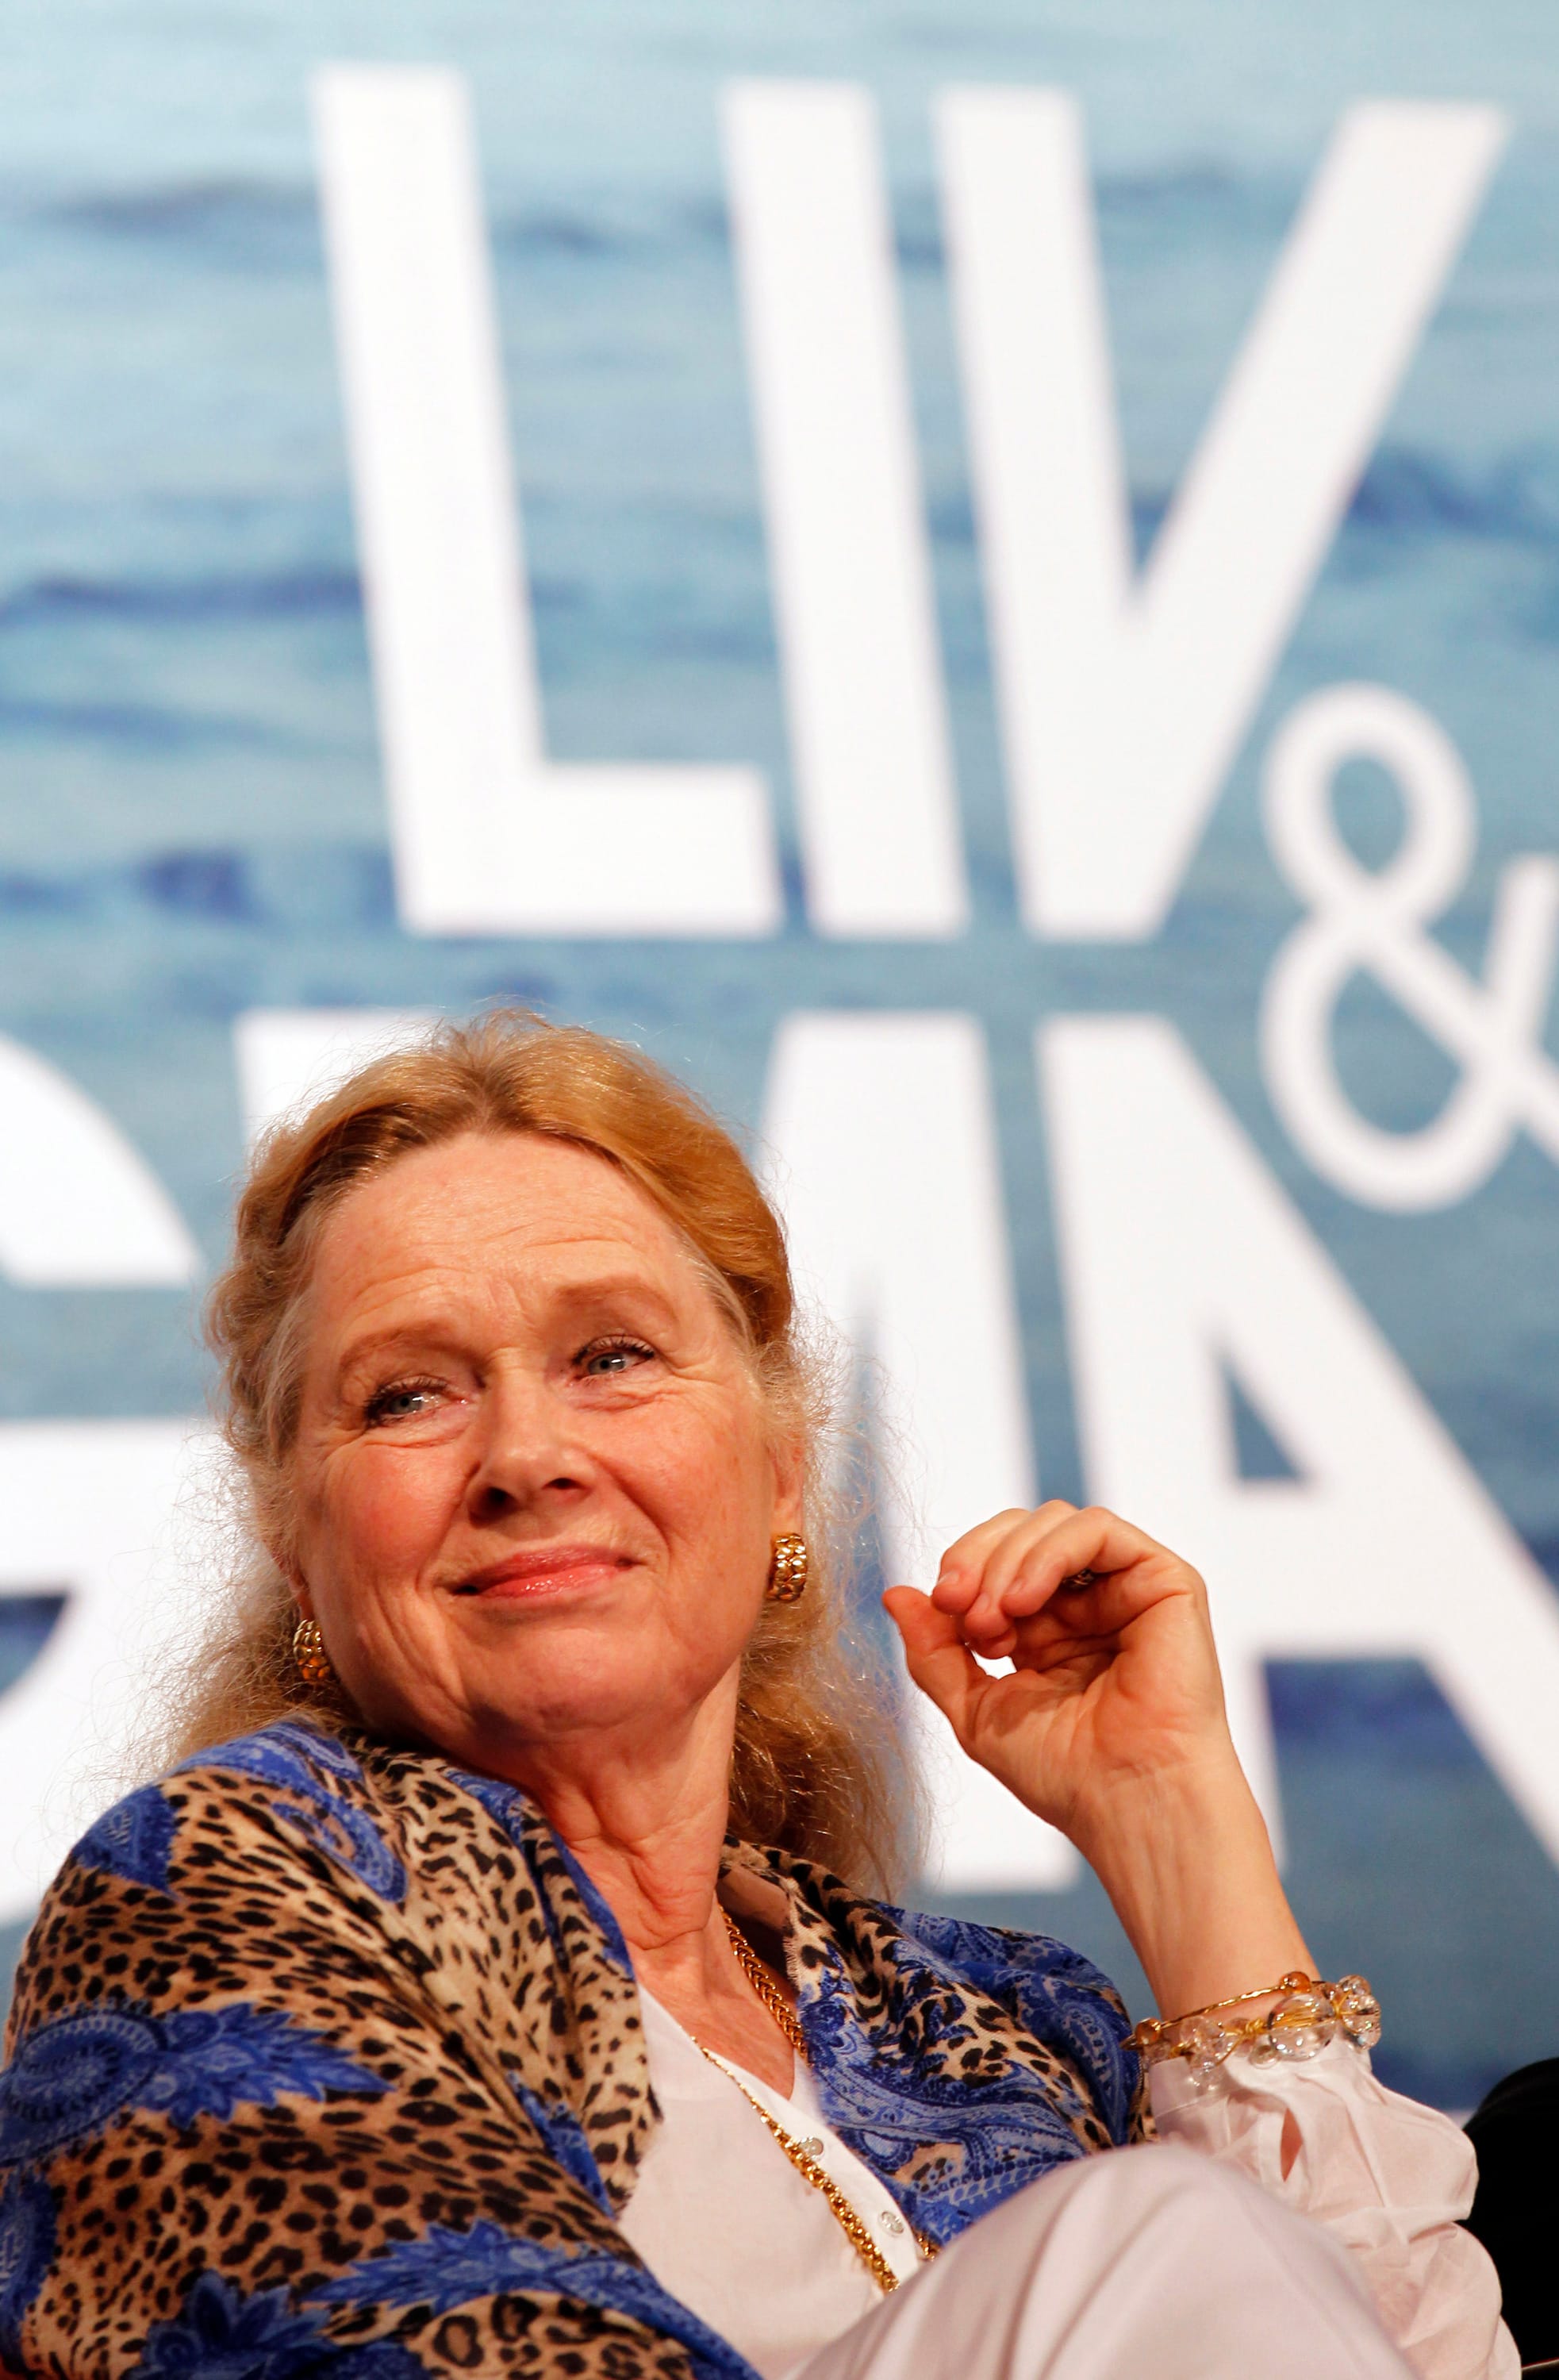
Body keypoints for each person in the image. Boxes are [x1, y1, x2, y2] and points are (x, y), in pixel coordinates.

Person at [0, 1013, 1515, 2380]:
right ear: (298, 1548)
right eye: (409, 1394)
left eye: (611, 1357)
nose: (527, 1456)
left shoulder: (999, 2022)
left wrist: (1171, 1815)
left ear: (781, 1474)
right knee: (1156, 2238)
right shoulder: (223, 1894)